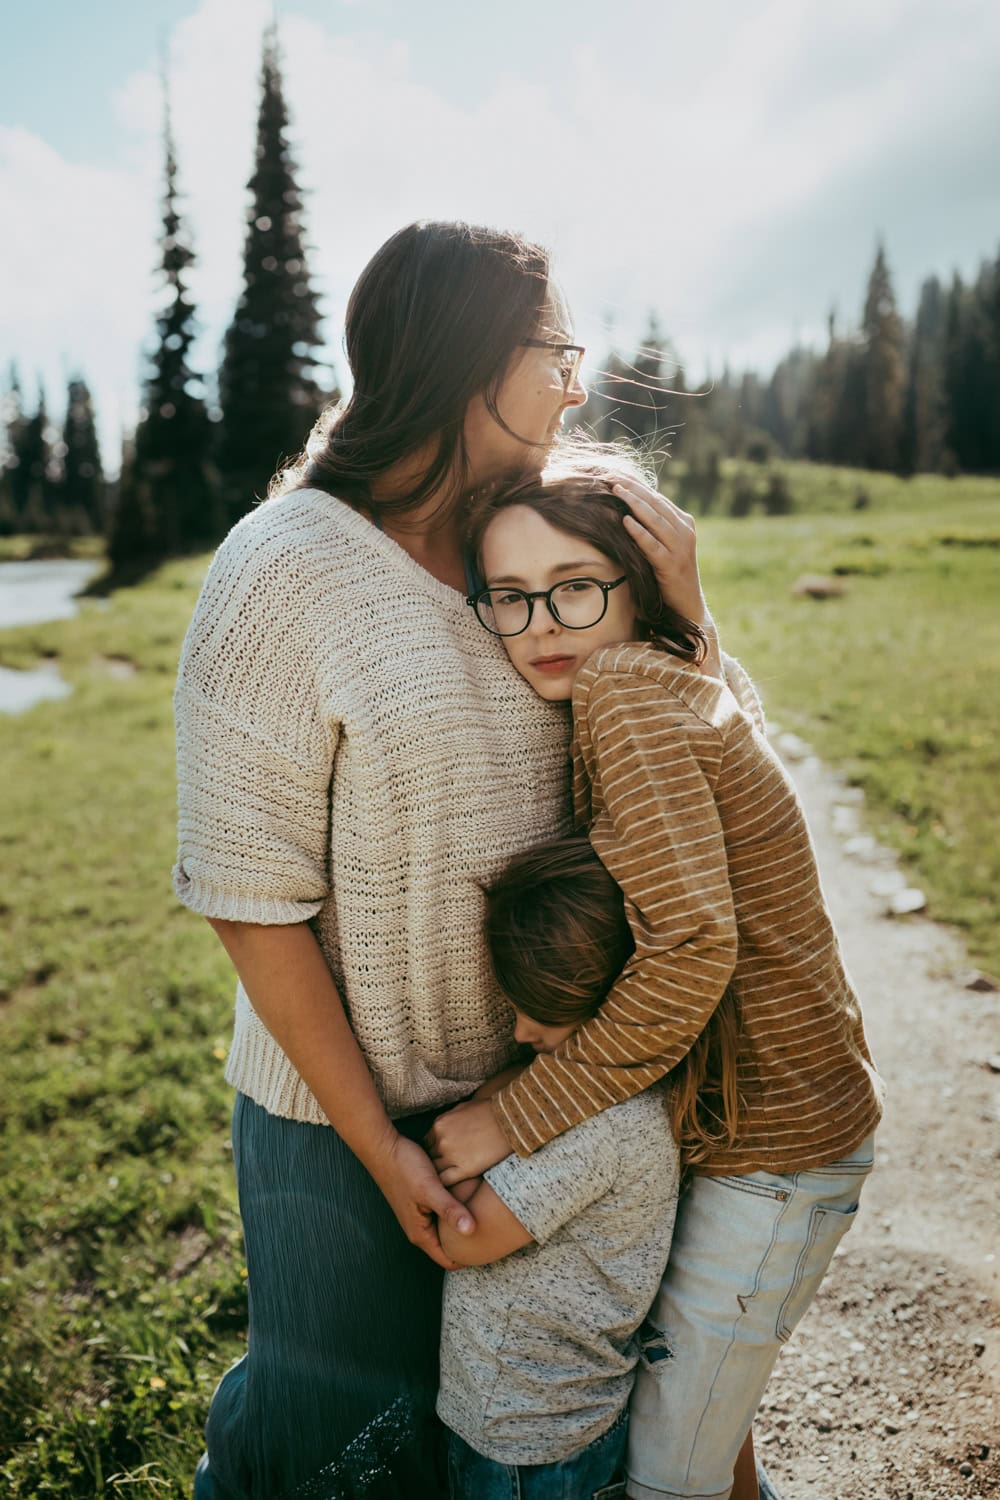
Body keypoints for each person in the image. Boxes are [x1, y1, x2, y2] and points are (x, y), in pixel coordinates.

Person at [173, 220, 717, 1500]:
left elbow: (683, 747)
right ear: (470, 358)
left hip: (539, 1095)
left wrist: (690, 606)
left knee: (501, 1429)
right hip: (333, 1120)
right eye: (555, 352)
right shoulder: (282, 572)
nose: (576, 386)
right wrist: (381, 1148)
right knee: (329, 1448)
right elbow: (253, 904)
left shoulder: (525, 547)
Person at [426, 449, 885, 1500]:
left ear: (634, 584)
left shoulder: (626, 696)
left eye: (574, 588)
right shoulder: (668, 678)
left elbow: (690, 947)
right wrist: (691, 613)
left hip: (774, 1150)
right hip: (775, 1122)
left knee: (667, 1476)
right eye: (508, 597)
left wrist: (520, 1113)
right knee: (709, 1429)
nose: (540, 623)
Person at [437, 837, 680, 1500]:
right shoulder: (589, 1096)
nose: (517, 1032)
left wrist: (490, 1105)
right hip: (524, 1426)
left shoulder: (609, 1127)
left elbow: (461, 1237)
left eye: (530, 1009)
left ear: (591, 999)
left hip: (536, 1446)